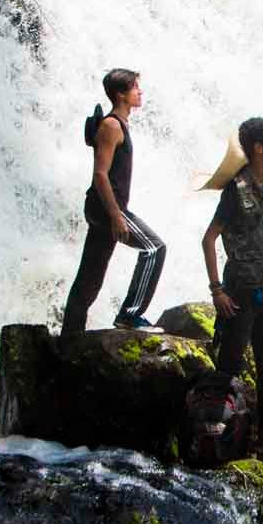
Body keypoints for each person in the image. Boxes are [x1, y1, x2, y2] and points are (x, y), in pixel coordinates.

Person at [201, 117, 263, 459]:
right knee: (229, 364)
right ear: (259, 148)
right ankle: (215, 434)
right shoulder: (236, 190)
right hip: (239, 293)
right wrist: (217, 291)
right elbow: (209, 239)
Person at [61, 68, 166, 335]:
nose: (140, 92)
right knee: (154, 248)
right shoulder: (111, 125)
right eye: (135, 88)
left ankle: (70, 339)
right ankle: (130, 315)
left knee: (91, 277)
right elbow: (100, 174)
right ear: (121, 94)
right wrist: (116, 215)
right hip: (107, 208)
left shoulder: (119, 124)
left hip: (106, 209)